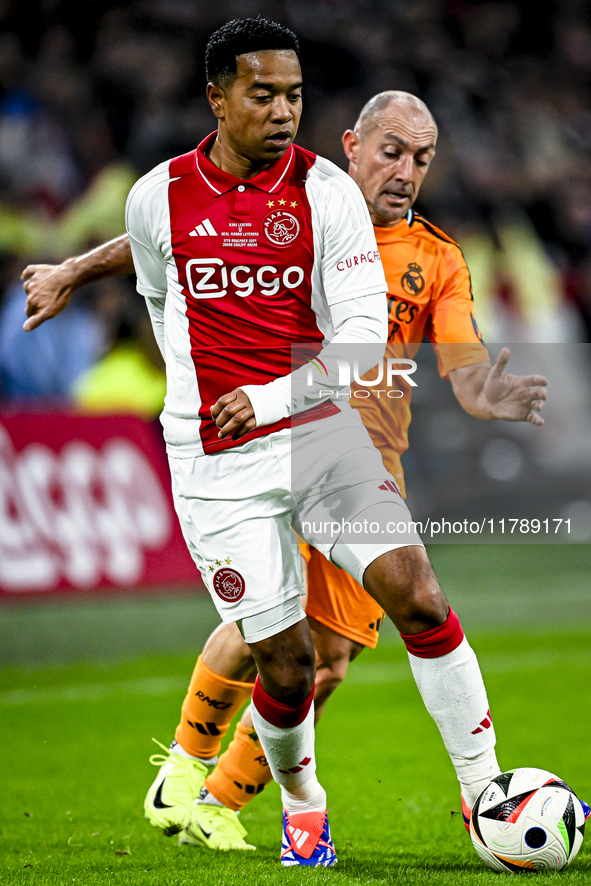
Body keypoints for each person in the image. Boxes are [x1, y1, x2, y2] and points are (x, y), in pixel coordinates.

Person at [21, 20, 549, 867]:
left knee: (414, 592)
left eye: (293, 95)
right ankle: (300, 800)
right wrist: (75, 273)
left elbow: (360, 337)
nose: (280, 111)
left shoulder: (330, 196)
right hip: (214, 461)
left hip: (321, 437)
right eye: (262, 94)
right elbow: (163, 283)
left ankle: (483, 788)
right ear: (217, 97)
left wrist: (269, 395)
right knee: (289, 663)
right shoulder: (156, 195)